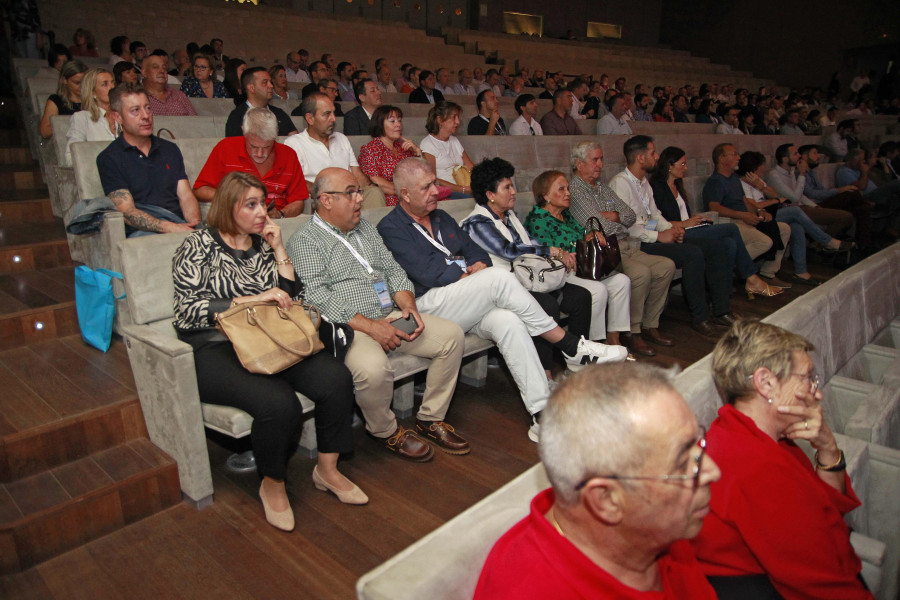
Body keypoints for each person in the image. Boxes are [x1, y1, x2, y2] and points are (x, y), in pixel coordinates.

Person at [378, 158, 628, 442]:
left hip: (468, 302)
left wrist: (474, 269)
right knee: (497, 278)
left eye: (435, 183)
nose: (436, 190)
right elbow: (426, 272)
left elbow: (478, 255)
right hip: (430, 306)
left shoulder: (442, 217)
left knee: (509, 321)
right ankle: (570, 346)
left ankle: (541, 414)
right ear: (406, 194)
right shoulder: (391, 227)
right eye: (427, 187)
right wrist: (470, 276)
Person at [173, 171, 366, 531]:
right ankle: (273, 483)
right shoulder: (197, 245)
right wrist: (250, 299)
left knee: (336, 377)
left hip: (269, 338)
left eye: (263, 203)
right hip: (216, 347)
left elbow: (289, 298)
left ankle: (327, 470)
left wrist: (278, 249)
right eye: (252, 204)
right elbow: (186, 311)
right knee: (279, 404)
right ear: (228, 207)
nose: (263, 211)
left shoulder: (261, 244)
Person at [475, 363, 720, 599]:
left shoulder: (657, 530)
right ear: (606, 500)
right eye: (681, 463)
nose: (713, 470)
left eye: (698, 444)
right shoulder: (529, 591)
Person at [287, 167, 468, 461]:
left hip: (391, 314)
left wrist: (408, 305)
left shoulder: (366, 229)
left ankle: (430, 418)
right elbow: (317, 297)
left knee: (451, 337)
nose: (360, 199)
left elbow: (394, 270)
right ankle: (385, 430)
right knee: (373, 370)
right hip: (350, 328)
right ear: (326, 200)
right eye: (351, 193)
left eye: (358, 191)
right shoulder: (305, 241)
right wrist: (372, 328)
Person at [693, 320, 873, 599]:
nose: (817, 392)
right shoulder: (757, 465)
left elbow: (827, 509)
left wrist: (827, 446)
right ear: (766, 383)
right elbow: (821, 586)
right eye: (807, 378)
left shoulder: (751, 435)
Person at [461, 158, 628, 372]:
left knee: (581, 297)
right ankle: (545, 372)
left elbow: (530, 241)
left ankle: (577, 365)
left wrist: (559, 253)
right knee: (547, 305)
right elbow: (508, 250)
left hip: (529, 279)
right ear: (490, 195)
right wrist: (550, 250)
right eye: (507, 187)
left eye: (512, 185)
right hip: (505, 288)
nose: (513, 191)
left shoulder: (509, 216)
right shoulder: (477, 223)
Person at [609, 136, 739, 336]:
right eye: (653, 152)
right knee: (692, 254)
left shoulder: (643, 183)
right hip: (635, 244)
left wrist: (671, 229)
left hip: (649, 236)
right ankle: (700, 317)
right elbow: (627, 226)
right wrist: (658, 236)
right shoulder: (620, 184)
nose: (657, 156)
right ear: (641, 158)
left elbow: (653, 215)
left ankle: (722, 309)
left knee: (716, 246)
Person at [568, 141, 675, 358]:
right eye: (594, 160)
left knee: (666, 266)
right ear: (579, 164)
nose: (600, 164)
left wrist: (614, 216)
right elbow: (600, 225)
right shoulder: (577, 190)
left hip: (625, 245)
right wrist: (614, 219)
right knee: (639, 274)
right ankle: (632, 333)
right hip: (606, 251)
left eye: (601, 159)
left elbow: (629, 215)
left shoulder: (602, 187)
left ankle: (649, 324)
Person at [650, 146, 783, 300]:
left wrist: (696, 218)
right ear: (669, 166)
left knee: (729, 243)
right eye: (682, 164)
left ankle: (722, 299)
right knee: (731, 228)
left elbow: (681, 213)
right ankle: (752, 279)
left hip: (690, 227)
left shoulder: (677, 186)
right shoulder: (657, 188)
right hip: (677, 232)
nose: (686, 168)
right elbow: (656, 221)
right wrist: (686, 223)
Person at [524, 170, 632, 346]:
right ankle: (592, 344)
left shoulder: (566, 215)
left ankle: (614, 339)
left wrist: (593, 234)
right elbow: (544, 254)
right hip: (561, 273)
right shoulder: (538, 220)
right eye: (561, 189)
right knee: (598, 290)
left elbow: (581, 235)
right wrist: (569, 252)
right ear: (546, 196)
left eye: (567, 188)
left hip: (583, 268)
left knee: (621, 281)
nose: (568, 193)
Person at [97, 83, 201, 236]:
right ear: (118, 117)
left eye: (148, 108)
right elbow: (127, 212)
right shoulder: (109, 158)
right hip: (144, 232)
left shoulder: (169, 149)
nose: (145, 116)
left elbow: (185, 195)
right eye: (135, 111)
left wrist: (195, 226)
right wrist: (169, 228)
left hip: (178, 224)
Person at [738, 150, 852, 286]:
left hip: (771, 212)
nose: (764, 167)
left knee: (796, 226)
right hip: (761, 215)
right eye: (762, 165)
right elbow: (755, 205)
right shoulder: (742, 183)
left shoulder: (757, 180)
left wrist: (762, 186)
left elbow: (774, 193)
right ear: (755, 167)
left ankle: (801, 271)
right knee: (795, 211)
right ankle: (826, 241)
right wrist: (774, 201)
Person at [194, 108, 307, 218]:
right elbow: (200, 190)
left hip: (275, 220)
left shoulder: (288, 154)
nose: (259, 153)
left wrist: (281, 214)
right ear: (244, 131)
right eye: (253, 146)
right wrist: (234, 198)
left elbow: (298, 201)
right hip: (235, 219)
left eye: (267, 147)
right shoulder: (225, 148)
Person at [285, 94, 384, 208]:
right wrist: (332, 193)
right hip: (322, 198)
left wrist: (368, 186)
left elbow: (357, 174)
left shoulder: (341, 138)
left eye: (333, 113)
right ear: (310, 119)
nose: (333, 119)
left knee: (374, 192)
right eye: (327, 114)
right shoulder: (294, 143)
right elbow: (297, 182)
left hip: (349, 193)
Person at [765, 144, 855, 240]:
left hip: (802, 207)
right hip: (791, 210)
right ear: (785, 159)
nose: (799, 156)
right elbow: (794, 198)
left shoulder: (790, 171)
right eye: (795, 154)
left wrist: (814, 206)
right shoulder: (774, 175)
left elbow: (801, 196)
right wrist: (802, 174)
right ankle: (824, 245)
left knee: (847, 215)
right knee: (845, 217)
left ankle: (822, 244)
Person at [357, 105, 423, 206]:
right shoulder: (370, 149)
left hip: (412, 196)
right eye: (392, 121)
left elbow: (423, 173)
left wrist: (418, 152)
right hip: (390, 199)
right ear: (380, 124)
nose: (398, 124)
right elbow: (377, 182)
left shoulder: (404, 147)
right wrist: (408, 192)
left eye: (399, 120)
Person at [835, 149, 900, 237]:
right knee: (897, 183)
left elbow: (882, 181)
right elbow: (861, 187)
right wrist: (864, 172)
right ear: (853, 160)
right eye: (861, 160)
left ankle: (891, 228)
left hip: (876, 194)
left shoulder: (858, 170)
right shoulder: (844, 172)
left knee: (896, 199)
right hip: (866, 197)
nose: (864, 162)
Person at [419, 101, 475, 197]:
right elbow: (433, 179)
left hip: (464, 186)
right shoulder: (428, 144)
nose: (458, 121)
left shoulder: (455, 140)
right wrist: (463, 189)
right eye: (454, 117)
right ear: (440, 120)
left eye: (458, 117)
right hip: (446, 192)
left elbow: (471, 167)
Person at [225, 67, 298, 137]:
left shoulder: (279, 113)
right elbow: (235, 146)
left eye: (270, 82)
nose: (271, 86)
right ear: (251, 88)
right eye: (265, 82)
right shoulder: (237, 116)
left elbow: (295, 141)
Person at [65, 68, 117, 164]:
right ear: (93, 92)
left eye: (112, 83)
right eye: (105, 84)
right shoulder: (82, 118)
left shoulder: (124, 115)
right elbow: (71, 158)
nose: (112, 87)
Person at [39, 59, 88, 139]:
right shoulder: (56, 100)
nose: (82, 86)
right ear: (65, 80)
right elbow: (44, 131)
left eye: (85, 82)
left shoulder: (93, 100)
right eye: (77, 83)